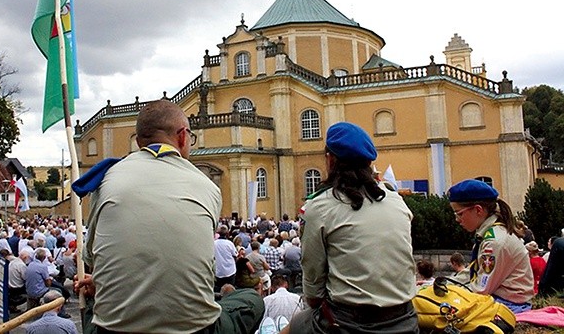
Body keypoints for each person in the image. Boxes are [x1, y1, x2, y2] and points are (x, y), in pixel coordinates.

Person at [78, 100, 264, 333]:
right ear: (183, 136)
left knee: (91, 311)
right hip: (196, 328)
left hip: (116, 329)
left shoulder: (107, 179)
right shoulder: (206, 186)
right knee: (251, 299)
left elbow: (92, 259)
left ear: (138, 141)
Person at [288, 122, 419, 333]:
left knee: (293, 326)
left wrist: (315, 301)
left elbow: (313, 275)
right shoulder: (396, 201)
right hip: (405, 318)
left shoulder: (320, 206)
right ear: (369, 163)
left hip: (349, 323)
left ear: (330, 159)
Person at [448, 179, 534, 313]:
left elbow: (481, 289)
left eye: (459, 213)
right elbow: (473, 272)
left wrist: (449, 292)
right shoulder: (489, 234)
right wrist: (444, 284)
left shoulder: (495, 242)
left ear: (478, 210)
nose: (457, 219)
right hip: (501, 299)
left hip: (509, 305)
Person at [214, 225, 238, 291]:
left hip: (219, 271)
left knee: (220, 290)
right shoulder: (229, 244)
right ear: (227, 233)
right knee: (231, 289)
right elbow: (235, 255)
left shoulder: (214, 243)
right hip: (230, 271)